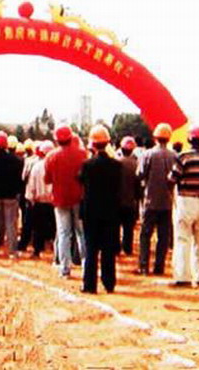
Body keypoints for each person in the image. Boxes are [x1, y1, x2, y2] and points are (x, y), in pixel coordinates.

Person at [168, 125, 199, 287]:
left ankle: (183, 277)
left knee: (183, 239)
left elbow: (171, 179)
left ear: (189, 140)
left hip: (186, 200)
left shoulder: (184, 157)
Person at [79, 125, 122, 294]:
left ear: (93, 144)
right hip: (111, 212)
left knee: (91, 249)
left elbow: (80, 179)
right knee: (108, 250)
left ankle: (90, 284)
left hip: (91, 212)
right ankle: (109, 282)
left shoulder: (87, 165)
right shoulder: (116, 165)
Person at [44, 125, 87, 278]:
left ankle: (65, 268)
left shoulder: (51, 156)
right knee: (81, 233)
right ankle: (86, 266)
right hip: (79, 197)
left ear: (56, 140)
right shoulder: (82, 154)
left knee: (63, 233)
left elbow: (47, 179)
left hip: (60, 199)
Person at [135, 123, 177, 276]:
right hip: (167, 202)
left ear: (155, 137)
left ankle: (143, 266)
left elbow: (140, 174)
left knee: (145, 235)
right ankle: (159, 267)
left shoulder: (148, 155)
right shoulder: (174, 156)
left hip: (150, 201)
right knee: (163, 236)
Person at [0, 131, 24, 259]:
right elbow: (19, 180)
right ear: (6, 144)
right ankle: (13, 251)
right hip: (11, 196)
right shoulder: (17, 161)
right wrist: (17, 193)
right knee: (11, 224)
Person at [25, 141, 56, 258]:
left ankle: (37, 250)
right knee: (55, 227)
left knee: (38, 228)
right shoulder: (55, 165)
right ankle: (56, 251)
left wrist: (31, 199)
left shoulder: (37, 167)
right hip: (53, 202)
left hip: (40, 202)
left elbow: (31, 185)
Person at [117, 136, 140, 256]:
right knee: (128, 227)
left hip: (117, 200)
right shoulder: (136, 163)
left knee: (116, 226)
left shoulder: (116, 162)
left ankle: (116, 247)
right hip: (131, 201)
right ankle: (127, 248)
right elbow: (139, 183)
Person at [18, 140, 40, 252]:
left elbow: (23, 177)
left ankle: (24, 243)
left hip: (30, 195)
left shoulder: (29, 162)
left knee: (28, 221)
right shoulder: (47, 162)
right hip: (45, 197)